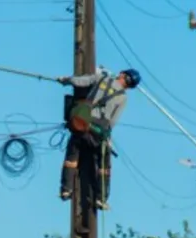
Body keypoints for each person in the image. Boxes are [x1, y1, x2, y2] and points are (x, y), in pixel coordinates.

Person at [56, 68, 142, 210]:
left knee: (72, 153)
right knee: (104, 163)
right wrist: (105, 136)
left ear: (122, 74)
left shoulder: (101, 78)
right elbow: (112, 121)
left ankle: (66, 189)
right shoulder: (122, 97)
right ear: (130, 86)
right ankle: (100, 198)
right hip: (98, 131)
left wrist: (65, 80)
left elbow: (80, 81)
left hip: (82, 122)